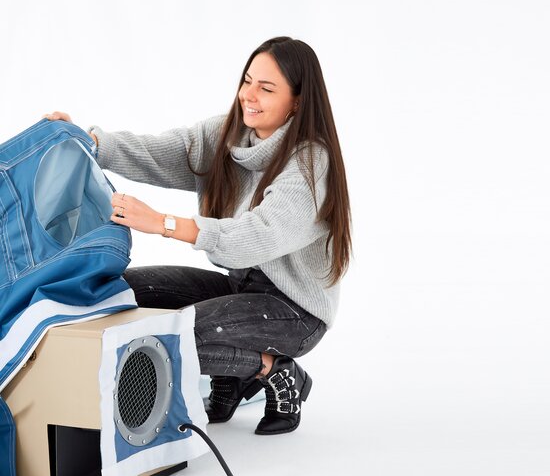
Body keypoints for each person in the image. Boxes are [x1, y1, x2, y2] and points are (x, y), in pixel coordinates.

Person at [45, 36, 352, 435]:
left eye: (266, 87)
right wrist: (91, 143)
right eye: (247, 81)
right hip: (244, 289)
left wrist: (163, 223)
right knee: (121, 289)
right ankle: (233, 374)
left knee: (172, 336)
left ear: (297, 100)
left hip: (294, 311)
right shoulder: (227, 135)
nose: (249, 95)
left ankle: (275, 371)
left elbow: (256, 236)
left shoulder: (311, 164)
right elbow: (162, 152)